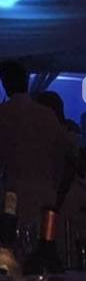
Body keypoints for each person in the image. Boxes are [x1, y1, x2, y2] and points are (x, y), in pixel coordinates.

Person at [0, 60, 76, 231]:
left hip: (13, 196)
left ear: (5, 83)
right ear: (26, 81)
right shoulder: (47, 115)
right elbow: (69, 155)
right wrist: (58, 193)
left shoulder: (4, 113)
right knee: (43, 240)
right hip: (46, 195)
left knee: (11, 241)